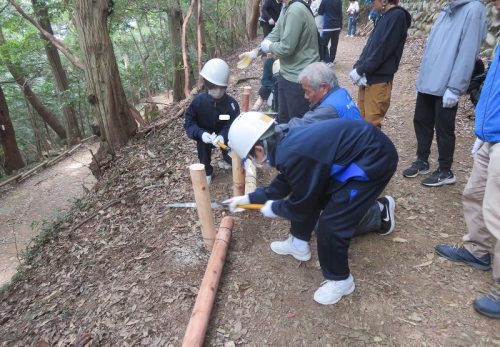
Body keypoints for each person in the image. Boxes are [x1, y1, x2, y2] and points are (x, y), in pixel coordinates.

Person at [225, 112, 398, 305]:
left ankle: (341, 280)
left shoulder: (293, 153)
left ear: (258, 149)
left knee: (332, 225)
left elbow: (301, 206)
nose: (254, 160)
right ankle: (298, 243)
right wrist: (249, 198)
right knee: (313, 196)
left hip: (374, 160)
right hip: (356, 153)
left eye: (250, 156)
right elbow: (287, 181)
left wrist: (274, 208)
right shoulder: (285, 143)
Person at [275, 62, 396, 238]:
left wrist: (270, 129)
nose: (305, 96)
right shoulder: (339, 93)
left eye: (308, 91)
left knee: (325, 225)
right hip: (360, 157)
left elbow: (299, 128)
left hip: (359, 167)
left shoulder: (328, 109)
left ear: (323, 87)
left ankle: (378, 213)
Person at [434, 18, 500, 319]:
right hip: (491, 135)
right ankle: (478, 250)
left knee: (498, 212)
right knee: (475, 194)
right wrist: (484, 130)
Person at [402, 0, 486, 187]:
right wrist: (421, 81)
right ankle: (422, 160)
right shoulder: (447, 9)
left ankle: (445, 170)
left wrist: (456, 87)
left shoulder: (474, 9)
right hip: (430, 79)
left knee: (444, 128)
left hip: (448, 82)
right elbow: (431, 48)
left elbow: (468, 51)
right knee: (421, 119)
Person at [349, 0, 411, 129]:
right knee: (361, 120)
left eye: (373, 1)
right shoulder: (383, 16)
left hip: (379, 79)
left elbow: (384, 49)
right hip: (368, 77)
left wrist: (362, 70)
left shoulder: (397, 16)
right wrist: (358, 66)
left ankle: (372, 149)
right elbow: (371, 46)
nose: (372, 4)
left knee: (371, 125)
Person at [258, 0, 320, 124]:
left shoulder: (295, 10)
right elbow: (276, 31)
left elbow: (287, 48)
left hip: (299, 77)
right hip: (286, 73)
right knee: (283, 119)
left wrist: (270, 47)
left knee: (297, 122)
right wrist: (256, 50)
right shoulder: (286, 7)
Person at [184, 58, 240, 184]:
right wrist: (201, 134)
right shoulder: (199, 102)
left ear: (225, 86)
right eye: (213, 86)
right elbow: (189, 123)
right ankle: (207, 171)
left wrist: (223, 136)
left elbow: (232, 125)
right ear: (207, 84)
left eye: (220, 87)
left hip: (224, 137)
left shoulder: (232, 105)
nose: (217, 90)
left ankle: (227, 160)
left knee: (233, 151)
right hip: (205, 135)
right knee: (202, 147)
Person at [318, 0, 342, 65]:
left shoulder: (325, 1)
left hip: (327, 26)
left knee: (323, 44)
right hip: (337, 26)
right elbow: (340, 14)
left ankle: (326, 60)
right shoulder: (339, 1)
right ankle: (331, 61)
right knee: (334, 44)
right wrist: (340, 26)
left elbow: (320, 12)